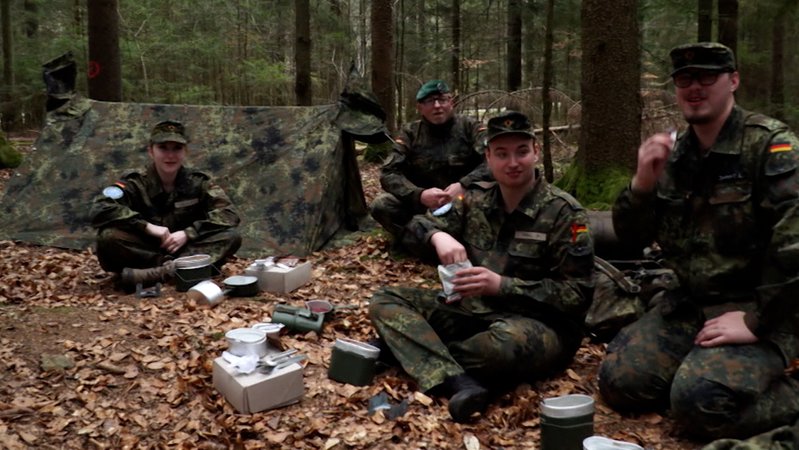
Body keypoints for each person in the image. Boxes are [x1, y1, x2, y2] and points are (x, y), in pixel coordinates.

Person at [598, 42, 799, 440]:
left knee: (700, 405)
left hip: (764, 308)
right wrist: (641, 185)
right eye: (685, 79)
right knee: (621, 382)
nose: (695, 88)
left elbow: (794, 248)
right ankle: (707, 373)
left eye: (708, 77)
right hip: (691, 304)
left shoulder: (769, 146)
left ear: (734, 81)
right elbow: (631, 236)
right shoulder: (674, 153)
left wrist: (757, 323)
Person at [368, 111, 594, 423]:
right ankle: (457, 381)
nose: (512, 163)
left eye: (521, 152)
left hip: (540, 325)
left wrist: (501, 285)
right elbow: (417, 226)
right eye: (501, 154)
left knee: (497, 350)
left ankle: (409, 347)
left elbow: (578, 294)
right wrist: (438, 235)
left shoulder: (565, 214)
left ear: (536, 152)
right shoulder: (473, 200)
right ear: (487, 157)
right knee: (385, 300)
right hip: (475, 311)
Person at [90, 120, 242, 289]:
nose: (170, 155)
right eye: (163, 148)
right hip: (143, 250)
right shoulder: (134, 182)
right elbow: (100, 208)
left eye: (177, 148)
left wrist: (189, 232)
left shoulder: (199, 182)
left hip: (185, 249)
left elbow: (229, 213)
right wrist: (145, 226)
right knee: (108, 236)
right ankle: (174, 270)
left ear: (185, 152)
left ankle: (158, 273)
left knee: (231, 236)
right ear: (151, 151)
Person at [370, 79, 489, 252]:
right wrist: (419, 195)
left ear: (451, 102)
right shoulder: (410, 133)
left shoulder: (470, 127)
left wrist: (464, 184)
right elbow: (389, 173)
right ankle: (427, 240)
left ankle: (430, 241)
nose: (437, 106)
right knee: (381, 205)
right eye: (430, 101)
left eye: (442, 99)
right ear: (420, 107)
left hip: (465, 201)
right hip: (424, 206)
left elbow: (493, 163)